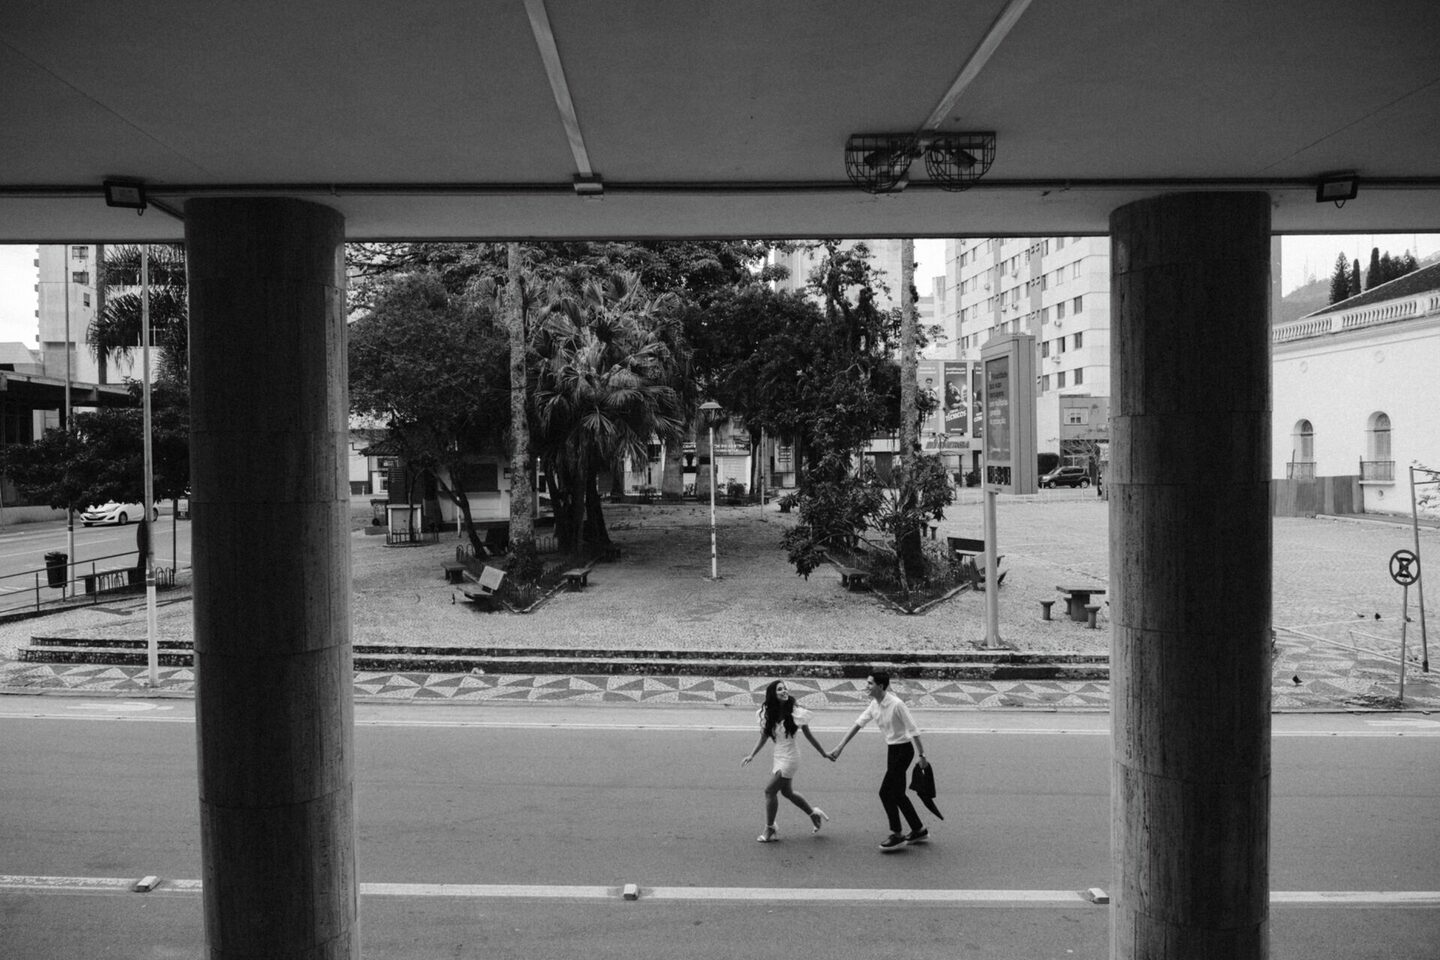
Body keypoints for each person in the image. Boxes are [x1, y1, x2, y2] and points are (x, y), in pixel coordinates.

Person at [829, 670, 929, 851]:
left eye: (870, 683)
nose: (866, 686)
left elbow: (914, 730)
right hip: (892, 750)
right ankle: (918, 829)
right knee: (898, 794)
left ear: (880, 686)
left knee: (885, 792)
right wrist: (840, 747)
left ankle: (897, 834)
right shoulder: (874, 705)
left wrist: (922, 756)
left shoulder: (897, 704)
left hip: (904, 750)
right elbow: (857, 725)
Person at [741, 679, 832, 843]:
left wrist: (823, 753)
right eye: (780, 689)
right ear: (772, 694)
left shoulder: (796, 712)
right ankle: (813, 813)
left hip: (791, 757)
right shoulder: (768, 713)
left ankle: (770, 828)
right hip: (778, 755)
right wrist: (751, 755)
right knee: (787, 793)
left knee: (769, 791)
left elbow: (810, 736)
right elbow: (764, 737)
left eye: (785, 689)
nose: (784, 691)